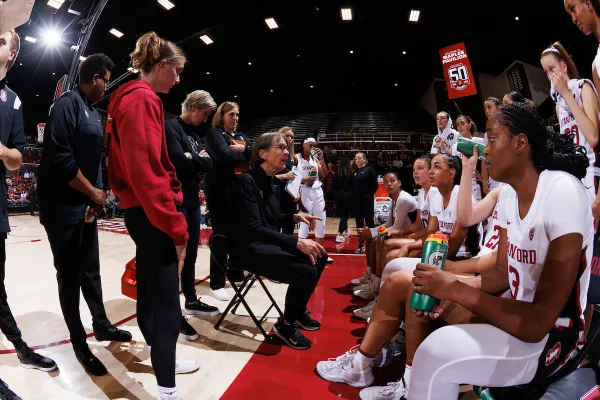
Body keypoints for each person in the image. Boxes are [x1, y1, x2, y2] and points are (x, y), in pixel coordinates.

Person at [316, 102, 592, 400]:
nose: (484, 149)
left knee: (436, 354)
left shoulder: (562, 191)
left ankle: (409, 382)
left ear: (520, 143)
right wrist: (447, 286)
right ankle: (379, 369)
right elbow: (501, 273)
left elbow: (538, 322)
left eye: (492, 138)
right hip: (512, 315)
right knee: (414, 285)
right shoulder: (510, 194)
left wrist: (456, 289)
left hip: (551, 338)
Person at [108, 32, 198, 400]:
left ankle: (164, 361)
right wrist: (178, 228)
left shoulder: (125, 98)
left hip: (139, 211)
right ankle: (167, 390)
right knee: (165, 304)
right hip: (151, 213)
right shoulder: (142, 100)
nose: (178, 80)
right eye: (176, 72)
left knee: (149, 294)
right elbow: (147, 172)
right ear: (161, 65)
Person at [38, 53, 131, 376]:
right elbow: (61, 159)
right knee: (69, 276)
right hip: (62, 207)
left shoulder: (93, 112)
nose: (106, 85)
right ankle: (79, 342)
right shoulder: (67, 105)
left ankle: (101, 324)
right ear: (95, 78)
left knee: (90, 270)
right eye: (106, 79)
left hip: (86, 207)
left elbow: (97, 159)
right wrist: (91, 192)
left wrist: (100, 194)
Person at [235, 131, 327, 350]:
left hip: (267, 243)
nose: (287, 152)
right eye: (282, 148)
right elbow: (254, 228)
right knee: (306, 270)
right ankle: (285, 325)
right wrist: (295, 242)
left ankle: (297, 311)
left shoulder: (272, 182)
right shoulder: (246, 182)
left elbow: (273, 219)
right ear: (263, 153)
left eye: (287, 148)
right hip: (249, 249)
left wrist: (294, 217)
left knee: (320, 256)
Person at [0, 28, 57, 376]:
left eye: (0, 39)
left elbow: (18, 157)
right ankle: (20, 345)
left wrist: (2, 150)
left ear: (12, 54)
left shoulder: (14, 101)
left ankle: (19, 346)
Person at [164, 90, 220, 342]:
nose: (206, 119)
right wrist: (196, 159)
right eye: (205, 113)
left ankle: (191, 300)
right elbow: (179, 161)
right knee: (177, 257)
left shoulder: (196, 134)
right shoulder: (171, 127)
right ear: (193, 105)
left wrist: (194, 158)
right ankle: (171, 313)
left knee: (193, 253)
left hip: (192, 199)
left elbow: (210, 163)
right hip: (176, 199)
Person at [352, 171, 418, 317]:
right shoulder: (393, 199)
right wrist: (370, 231)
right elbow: (389, 224)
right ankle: (371, 277)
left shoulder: (403, 199)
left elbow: (396, 228)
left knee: (377, 240)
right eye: (386, 181)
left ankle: (377, 288)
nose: (389, 184)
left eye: (392, 181)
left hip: (410, 234)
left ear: (399, 182)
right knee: (371, 238)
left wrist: (373, 232)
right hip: (402, 232)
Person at [541, 42, 600, 206]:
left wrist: (566, 93)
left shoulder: (584, 87)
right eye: (546, 72)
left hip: (592, 171)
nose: (549, 75)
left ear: (564, 67)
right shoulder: (558, 105)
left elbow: (593, 137)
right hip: (573, 176)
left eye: (552, 69)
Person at [205, 101, 251, 301]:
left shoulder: (240, 137)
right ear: (222, 116)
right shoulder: (215, 134)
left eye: (238, 115)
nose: (236, 118)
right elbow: (223, 156)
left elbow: (254, 154)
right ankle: (216, 282)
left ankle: (235, 272)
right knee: (221, 237)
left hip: (238, 192)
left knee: (237, 234)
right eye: (232, 114)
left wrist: (243, 151)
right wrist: (242, 153)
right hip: (219, 192)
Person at [296, 134, 332, 262]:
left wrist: (321, 159)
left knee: (321, 222)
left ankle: (321, 253)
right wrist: (303, 179)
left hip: (317, 191)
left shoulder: (315, 159)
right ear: (303, 145)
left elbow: (323, 174)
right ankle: (302, 253)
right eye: (310, 145)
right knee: (305, 223)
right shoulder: (297, 158)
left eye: (314, 145)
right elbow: (291, 176)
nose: (312, 147)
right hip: (304, 191)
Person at [452, 115, 485, 202]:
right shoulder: (455, 146)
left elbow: (487, 160)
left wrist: (483, 178)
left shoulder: (479, 141)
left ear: (469, 125)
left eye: (462, 123)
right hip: (462, 184)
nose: (459, 126)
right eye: (457, 124)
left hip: (476, 185)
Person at [353, 152, 378, 254]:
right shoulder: (355, 172)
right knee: (359, 224)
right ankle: (361, 245)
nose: (357, 160)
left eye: (359, 158)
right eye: (356, 159)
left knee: (369, 222)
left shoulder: (369, 170)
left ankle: (373, 244)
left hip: (367, 201)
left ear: (364, 159)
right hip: (357, 202)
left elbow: (375, 185)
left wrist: (369, 195)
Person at [276, 126, 298, 235]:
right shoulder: (273, 153)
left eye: (292, 137)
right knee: (274, 234)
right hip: (276, 198)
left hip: (290, 200)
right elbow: (268, 177)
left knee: (288, 235)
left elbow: (295, 179)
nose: (289, 139)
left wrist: (298, 193)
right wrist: (285, 176)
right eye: (287, 135)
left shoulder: (293, 157)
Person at [481, 96, 502, 194]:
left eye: (489, 107)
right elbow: (484, 158)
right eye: (485, 109)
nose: (486, 111)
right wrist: (484, 180)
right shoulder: (486, 135)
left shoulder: (507, 128)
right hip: (494, 180)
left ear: (499, 108)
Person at [334, 160, 354, 242]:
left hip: (338, 198)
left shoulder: (336, 175)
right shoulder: (351, 176)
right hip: (348, 198)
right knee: (344, 217)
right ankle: (339, 234)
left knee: (344, 216)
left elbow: (333, 186)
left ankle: (346, 231)